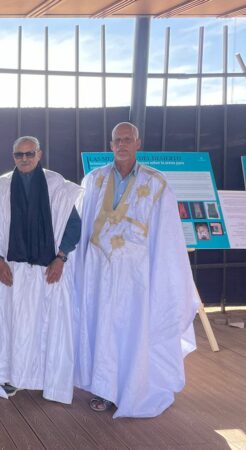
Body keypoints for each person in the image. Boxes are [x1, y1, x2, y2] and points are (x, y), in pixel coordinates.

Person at [74, 122, 200, 418]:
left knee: (131, 331)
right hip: (98, 275)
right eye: (117, 140)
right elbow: (80, 224)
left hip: (136, 278)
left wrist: (161, 277)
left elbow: (167, 237)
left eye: (127, 139)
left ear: (138, 143)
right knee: (102, 329)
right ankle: (104, 389)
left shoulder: (157, 183)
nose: (122, 144)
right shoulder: (94, 179)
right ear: (111, 144)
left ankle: (132, 388)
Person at [0, 136, 82, 404]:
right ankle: (13, 377)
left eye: (29, 154)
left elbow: (73, 224)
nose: (24, 159)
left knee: (47, 326)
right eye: (19, 154)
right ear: (13, 156)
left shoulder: (56, 184)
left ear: (39, 154)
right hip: (12, 269)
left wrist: (61, 258)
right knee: (12, 326)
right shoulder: (3, 184)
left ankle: (47, 380)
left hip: (48, 270)